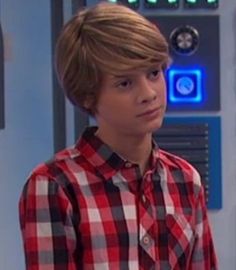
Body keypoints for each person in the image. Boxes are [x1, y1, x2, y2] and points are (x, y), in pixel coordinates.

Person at [19, 2, 218, 269]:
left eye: (154, 73)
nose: (149, 94)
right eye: (125, 83)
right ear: (88, 95)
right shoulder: (55, 185)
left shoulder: (185, 179)